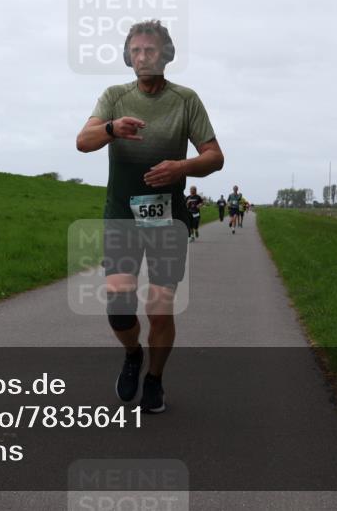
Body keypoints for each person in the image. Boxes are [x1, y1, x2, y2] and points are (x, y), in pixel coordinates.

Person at [76, 20, 223, 414]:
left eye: (151, 50)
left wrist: (182, 168)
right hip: (122, 217)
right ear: (128, 57)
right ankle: (132, 354)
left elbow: (215, 157)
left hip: (166, 220)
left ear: (166, 55)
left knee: (160, 309)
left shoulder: (186, 100)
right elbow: (83, 142)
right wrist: (111, 128)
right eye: (136, 51)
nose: (143, 57)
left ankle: (155, 379)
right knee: (119, 308)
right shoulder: (114, 96)